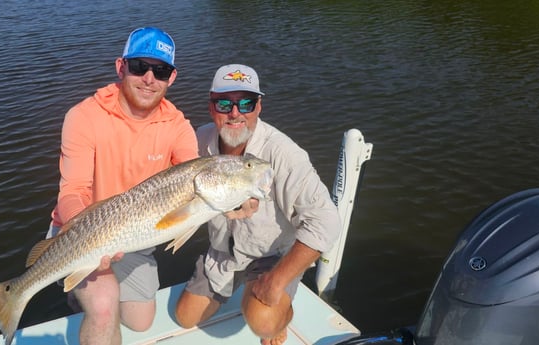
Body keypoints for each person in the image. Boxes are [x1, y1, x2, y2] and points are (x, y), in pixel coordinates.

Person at [47, 27, 199, 345]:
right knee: (104, 307)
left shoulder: (179, 127)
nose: (149, 78)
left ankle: (84, 291)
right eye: (139, 66)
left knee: (140, 323)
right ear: (120, 67)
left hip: (133, 236)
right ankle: (84, 294)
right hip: (79, 230)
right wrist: (87, 237)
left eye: (160, 70)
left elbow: (193, 175)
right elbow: (72, 191)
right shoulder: (84, 117)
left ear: (172, 77)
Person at [174, 64, 342, 345]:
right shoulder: (196, 142)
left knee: (263, 323)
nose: (235, 113)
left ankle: (282, 314)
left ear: (259, 106)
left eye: (246, 103)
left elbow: (326, 220)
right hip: (221, 254)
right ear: (211, 107)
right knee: (185, 318)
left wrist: (276, 281)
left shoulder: (283, 153)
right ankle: (234, 283)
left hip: (270, 257)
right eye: (225, 103)